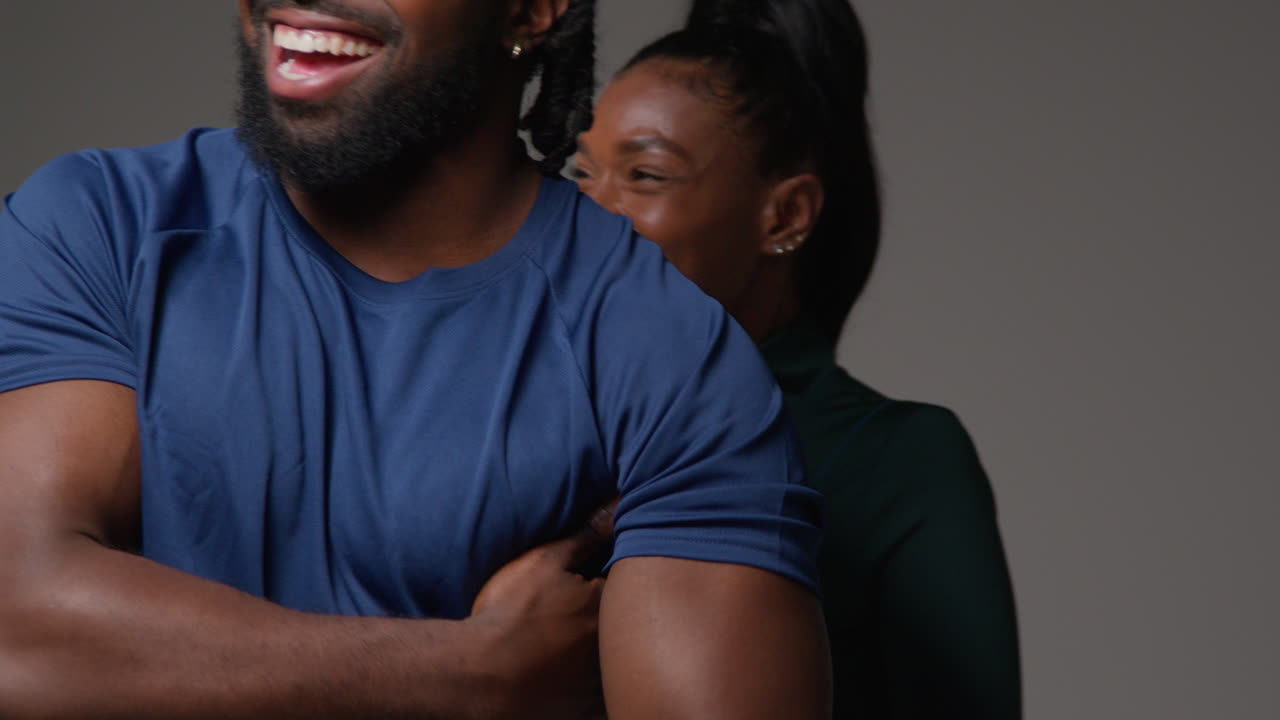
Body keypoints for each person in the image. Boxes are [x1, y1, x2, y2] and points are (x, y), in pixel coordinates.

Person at [0, 1, 833, 718]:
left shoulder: (668, 358)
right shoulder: (96, 228)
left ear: (530, 8)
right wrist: (470, 676)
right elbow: (18, 633)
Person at [573, 0, 1022, 716]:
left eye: (646, 176)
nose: (592, 212)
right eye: (581, 172)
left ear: (784, 216)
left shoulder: (900, 461)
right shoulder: (537, 420)